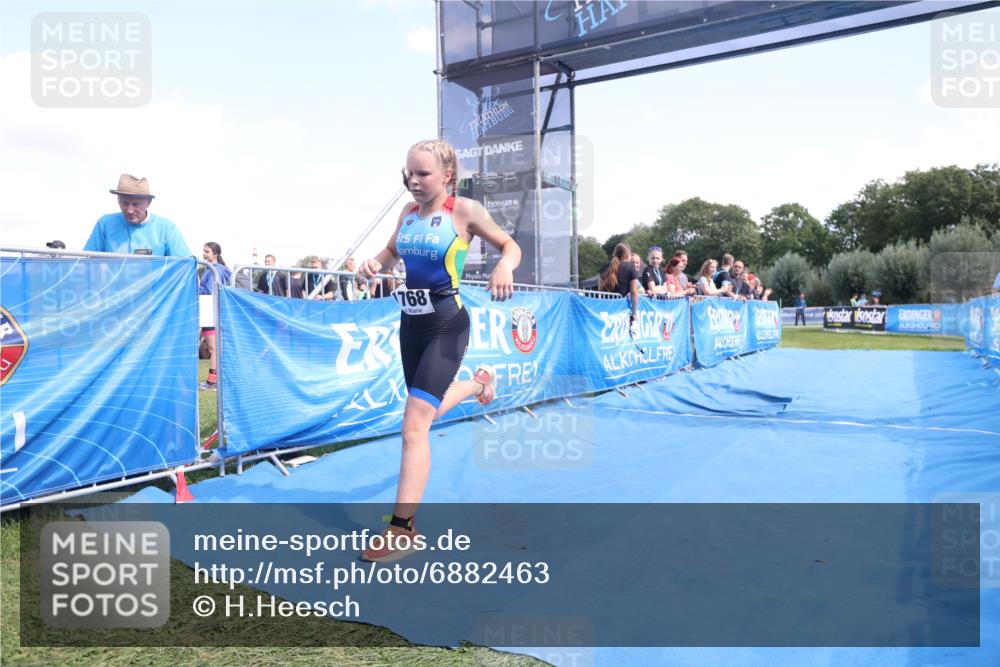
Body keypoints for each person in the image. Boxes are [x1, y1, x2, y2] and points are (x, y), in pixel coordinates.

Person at [357, 139, 521, 563]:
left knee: (413, 427)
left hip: (447, 327)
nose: (412, 181)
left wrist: (504, 265)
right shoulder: (407, 214)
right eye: (407, 173)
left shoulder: (463, 211)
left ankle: (402, 529)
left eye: (422, 174)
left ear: (447, 175)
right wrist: (374, 264)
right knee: (423, 413)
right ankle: (476, 384)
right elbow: (392, 252)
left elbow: (510, 246)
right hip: (410, 325)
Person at [84, 175, 190, 256]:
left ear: (148, 202)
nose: (130, 210)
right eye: (125, 203)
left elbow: (184, 265)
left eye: (136, 204)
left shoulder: (166, 228)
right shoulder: (105, 224)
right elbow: (86, 260)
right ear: (118, 200)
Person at [198, 242, 233, 391]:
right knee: (214, 348)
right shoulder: (212, 270)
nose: (204, 254)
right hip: (209, 311)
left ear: (215, 254)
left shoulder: (215, 271)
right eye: (203, 251)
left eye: (207, 252)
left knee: (213, 349)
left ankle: (213, 382)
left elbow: (211, 292)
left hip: (210, 311)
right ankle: (213, 381)